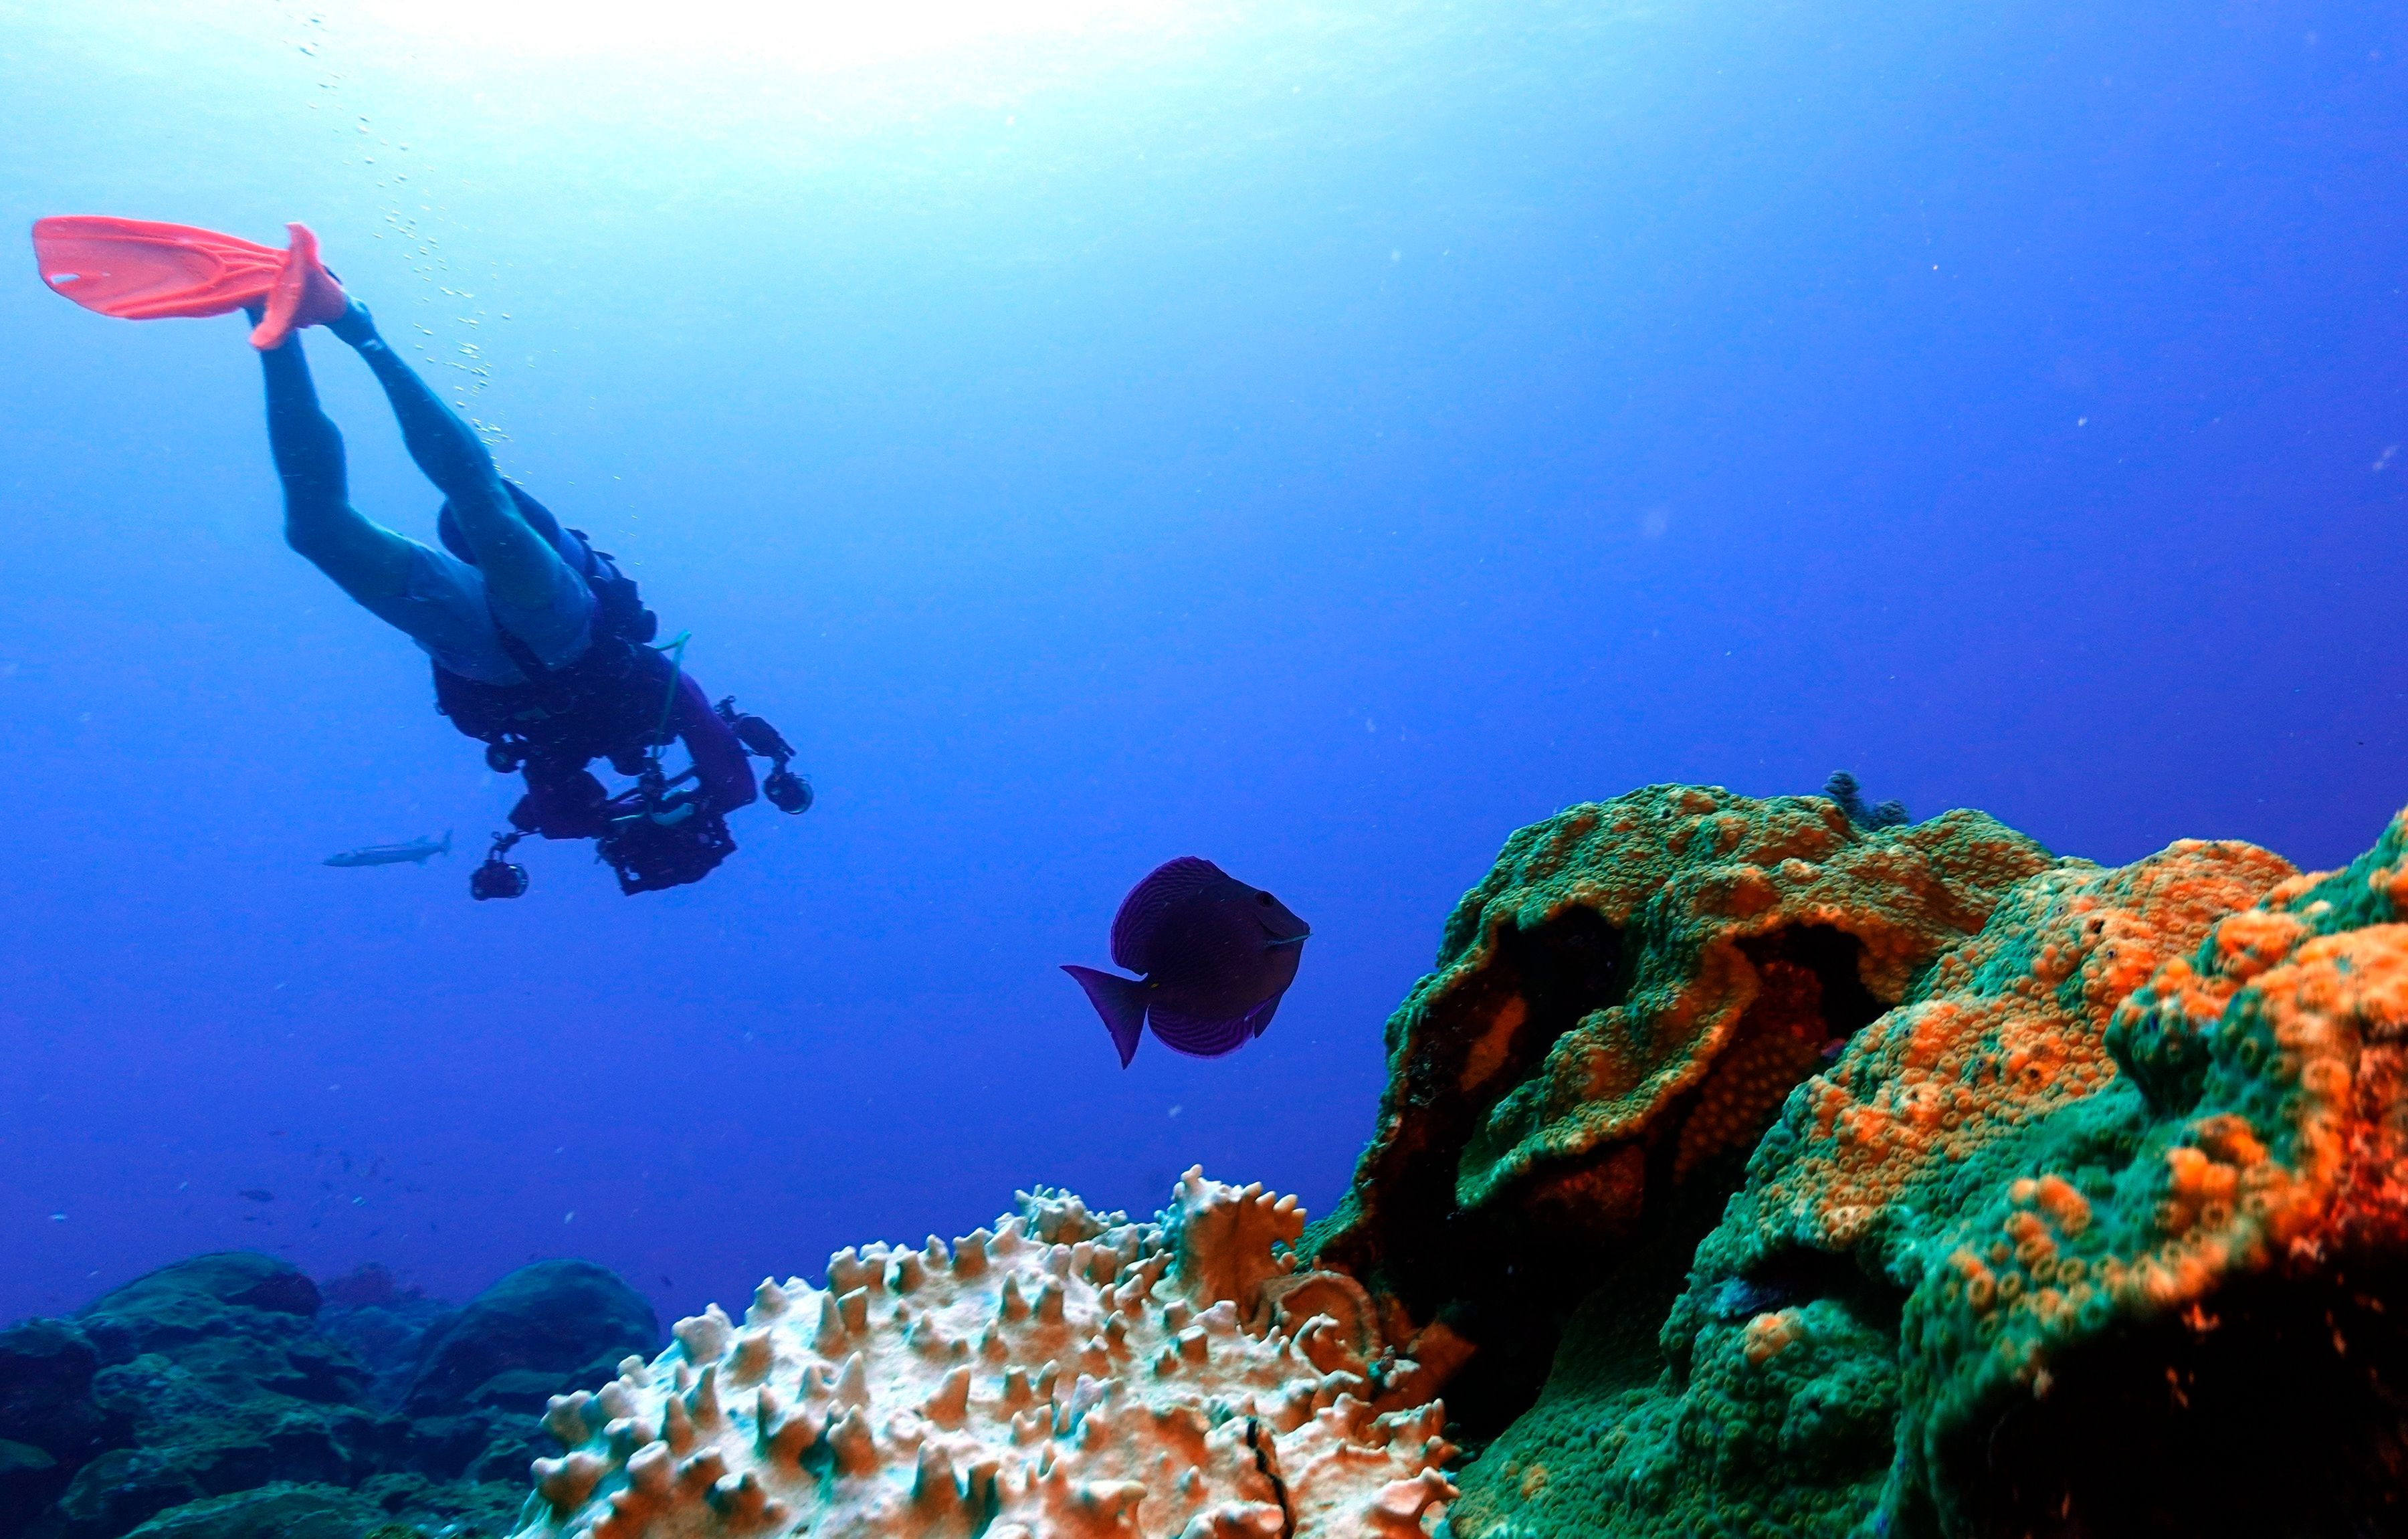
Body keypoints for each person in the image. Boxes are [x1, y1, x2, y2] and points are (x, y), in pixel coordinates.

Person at [249, 288, 809, 898]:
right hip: (571, 637)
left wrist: (596, 819)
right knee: (487, 519)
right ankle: (355, 327)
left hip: (478, 662)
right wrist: (706, 802)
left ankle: (268, 325)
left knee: (317, 533)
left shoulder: (567, 790)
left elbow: (559, 809)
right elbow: (727, 768)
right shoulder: (668, 713)